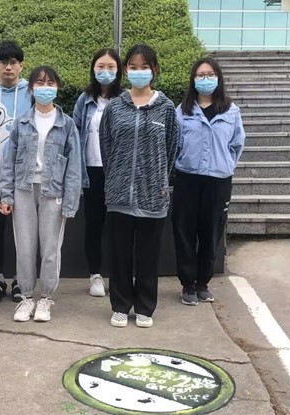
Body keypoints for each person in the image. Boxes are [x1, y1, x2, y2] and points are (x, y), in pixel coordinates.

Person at [100, 44, 178, 329]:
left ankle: (145, 306)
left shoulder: (166, 108)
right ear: (126, 71)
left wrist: (159, 181)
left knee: (148, 256)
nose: (139, 71)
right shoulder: (115, 107)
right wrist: (116, 178)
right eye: (133, 67)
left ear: (154, 70)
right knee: (119, 255)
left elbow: (171, 149)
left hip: (152, 195)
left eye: (144, 67)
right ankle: (120, 305)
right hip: (119, 194)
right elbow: (106, 146)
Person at [0, 66, 82, 323]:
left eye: (50, 83)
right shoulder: (21, 122)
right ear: (31, 88)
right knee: (24, 248)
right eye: (39, 83)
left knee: (50, 249)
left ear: (57, 87)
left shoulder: (67, 124)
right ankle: (26, 297)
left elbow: (74, 167)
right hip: (24, 189)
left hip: (53, 191)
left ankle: (45, 298)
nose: (45, 87)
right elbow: (8, 160)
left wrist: (70, 202)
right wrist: (6, 195)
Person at [173, 57, 245, 306]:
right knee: (184, 232)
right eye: (200, 75)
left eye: (210, 74)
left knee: (211, 232)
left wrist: (225, 165)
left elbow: (236, 144)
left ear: (218, 78)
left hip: (218, 181)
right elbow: (175, 144)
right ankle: (188, 284)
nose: (205, 79)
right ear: (193, 79)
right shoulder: (183, 110)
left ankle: (203, 283)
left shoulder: (231, 111)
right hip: (188, 179)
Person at [73, 48, 123, 297]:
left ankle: (118, 275)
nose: (106, 71)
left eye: (111, 67)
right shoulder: (84, 100)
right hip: (92, 170)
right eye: (101, 66)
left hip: (119, 172)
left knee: (118, 226)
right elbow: (75, 134)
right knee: (94, 225)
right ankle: (95, 275)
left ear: (119, 70)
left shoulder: (125, 98)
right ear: (93, 69)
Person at [0, 40, 32, 303]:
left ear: (21, 65)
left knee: (22, 232)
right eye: (4, 63)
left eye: (13, 62)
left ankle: (20, 280)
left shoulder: (32, 93)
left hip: (23, 175)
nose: (9, 68)